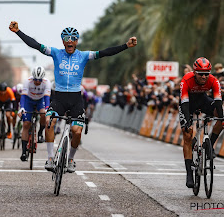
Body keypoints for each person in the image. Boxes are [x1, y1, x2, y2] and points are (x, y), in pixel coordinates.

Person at [9, 21, 137, 172]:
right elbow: (35, 45)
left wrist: (125, 46)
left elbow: (105, 52)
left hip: (76, 98)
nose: (69, 41)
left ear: (76, 41)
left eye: (73, 38)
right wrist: (18, 31)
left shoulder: (84, 56)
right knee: (49, 121)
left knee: (77, 131)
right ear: (63, 41)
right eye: (66, 38)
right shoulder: (55, 53)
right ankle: (50, 158)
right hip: (59, 98)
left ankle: (70, 159)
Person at [179, 57, 224, 188]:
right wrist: (187, 122)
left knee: (220, 117)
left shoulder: (213, 80)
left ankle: (210, 145)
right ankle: (189, 174)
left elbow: (218, 101)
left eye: (206, 73)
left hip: (203, 100)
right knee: (187, 134)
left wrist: (221, 119)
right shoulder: (186, 80)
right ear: (194, 73)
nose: (204, 77)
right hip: (188, 103)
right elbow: (185, 103)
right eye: (201, 74)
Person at [18, 66, 51, 161]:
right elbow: (23, 96)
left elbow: (47, 98)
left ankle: (40, 133)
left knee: (43, 114)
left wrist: (47, 109)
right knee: (26, 124)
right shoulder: (27, 81)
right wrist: (22, 108)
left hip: (40, 100)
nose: (37, 82)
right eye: (35, 79)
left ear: (43, 78)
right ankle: (24, 151)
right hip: (28, 101)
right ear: (33, 77)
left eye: (39, 80)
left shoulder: (46, 83)